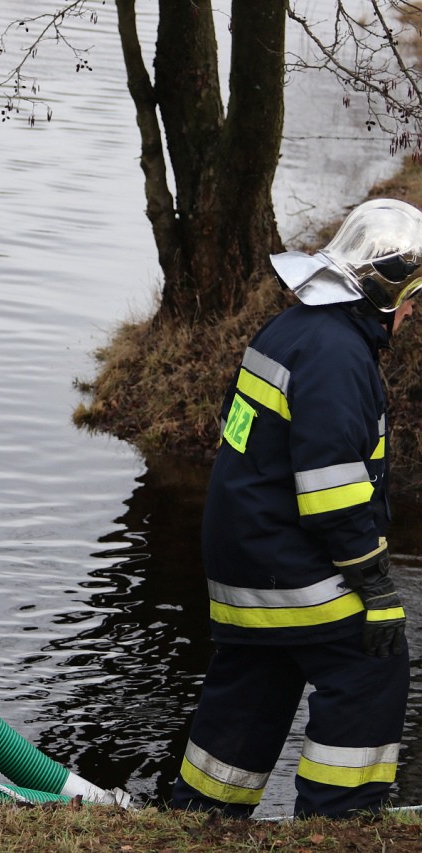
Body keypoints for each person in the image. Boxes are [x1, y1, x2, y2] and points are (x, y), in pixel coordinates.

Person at [170, 198, 422, 819]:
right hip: (291, 568)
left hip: (246, 568)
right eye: (414, 296)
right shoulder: (338, 355)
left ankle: (201, 820)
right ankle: (339, 823)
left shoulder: (292, 329)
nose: (415, 312)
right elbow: (333, 496)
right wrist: (376, 587)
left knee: (257, 680)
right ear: (385, 288)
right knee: (371, 664)